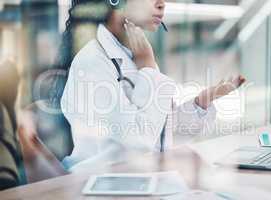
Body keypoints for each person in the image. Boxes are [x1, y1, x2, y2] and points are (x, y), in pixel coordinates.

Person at [60, 0, 245, 170]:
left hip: (138, 180)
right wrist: (148, 68)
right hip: (105, 184)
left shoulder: (135, 55)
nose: (161, 3)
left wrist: (201, 103)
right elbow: (136, 145)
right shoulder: (93, 63)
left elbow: (161, 134)